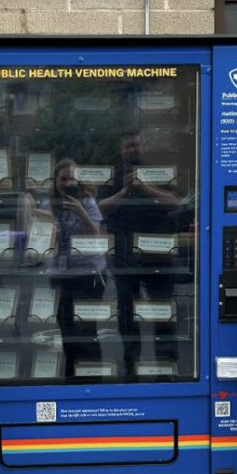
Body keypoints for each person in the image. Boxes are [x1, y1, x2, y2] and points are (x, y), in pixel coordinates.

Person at [98, 128, 181, 378]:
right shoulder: (113, 176)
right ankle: (131, 366)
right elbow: (100, 210)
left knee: (163, 313)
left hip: (160, 254)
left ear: (145, 147)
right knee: (127, 315)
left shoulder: (159, 172)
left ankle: (166, 367)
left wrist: (145, 187)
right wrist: (124, 191)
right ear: (121, 149)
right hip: (124, 256)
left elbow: (175, 202)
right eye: (128, 146)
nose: (133, 149)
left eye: (136, 145)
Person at [38, 159, 107, 375]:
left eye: (72, 179)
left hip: (89, 275)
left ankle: (92, 380)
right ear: (55, 181)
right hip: (60, 276)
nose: (67, 183)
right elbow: (39, 245)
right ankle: (72, 378)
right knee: (67, 331)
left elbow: (95, 238)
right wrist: (50, 237)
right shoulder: (47, 206)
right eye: (63, 179)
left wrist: (81, 213)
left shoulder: (87, 203)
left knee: (87, 331)